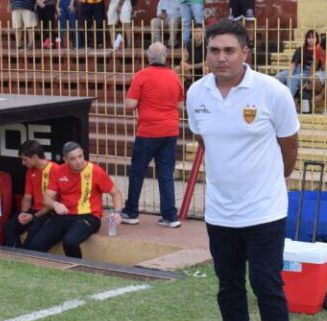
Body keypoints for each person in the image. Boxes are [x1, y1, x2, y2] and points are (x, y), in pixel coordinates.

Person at [186, 19, 299, 321]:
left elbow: (289, 146)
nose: (221, 57)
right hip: (220, 213)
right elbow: (204, 139)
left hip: (265, 211)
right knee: (228, 287)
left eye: (229, 50)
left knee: (267, 288)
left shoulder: (272, 92)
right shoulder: (196, 93)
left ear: (245, 53)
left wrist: (273, 181)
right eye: (214, 50)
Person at [119, 43, 183, 228]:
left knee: (137, 171)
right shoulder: (174, 76)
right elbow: (180, 106)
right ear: (166, 57)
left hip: (148, 131)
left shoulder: (141, 76)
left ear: (148, 57)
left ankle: (131, 211)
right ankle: (170, 215)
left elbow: (130, 104)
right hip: (170, 130)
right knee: (165, 173)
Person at [25, 141, 123, 258]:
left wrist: (117, 213)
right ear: (65, 160)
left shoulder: (96, 171)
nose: (79, 161)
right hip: (64, 216)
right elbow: (46, 199)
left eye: (80, 156)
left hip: (89, 216)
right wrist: (55, 204)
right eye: (73, 159)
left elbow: (116, 193)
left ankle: (77, 270)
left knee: (70, 242)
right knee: (35, 245)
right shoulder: (58, 171)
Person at [4, 140, 58, 248]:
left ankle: (24, 258)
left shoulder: (55, 169)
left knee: (32, 236)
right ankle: (15, 256)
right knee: (10, 227)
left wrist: (32, 216)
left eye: (25, 159)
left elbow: (53, 203)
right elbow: (27, 197)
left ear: (34, 157)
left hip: (49, 212)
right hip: (34, 211)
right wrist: (23, 213)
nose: (23, 163)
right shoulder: (30, 171)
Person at [274, 29, 323, 99]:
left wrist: (291, 77)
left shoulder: (320, 50)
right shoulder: (301, 49)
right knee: (279, 76)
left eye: (313, 37)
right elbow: (293, 63)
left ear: (317, 39)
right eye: (309, 38)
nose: (311, 40)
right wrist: (290, 74)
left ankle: (288, 100)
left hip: (309, 73)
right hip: (298, 70)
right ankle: (277, 98)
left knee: (293, 79)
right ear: (306, 39)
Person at [176, 21, 207, 87]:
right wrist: (183, 64)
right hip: (191, 71)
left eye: (199, 31)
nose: (196, 34)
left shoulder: (207, 43)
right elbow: (184, 59)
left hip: (204, 70)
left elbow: (208, 62)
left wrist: (192, 66)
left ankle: (204, 87)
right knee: (177, 68)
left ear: (202, 32)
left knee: (206, 68)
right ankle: (182, 89)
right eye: (194, 31)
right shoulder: (189, 43)